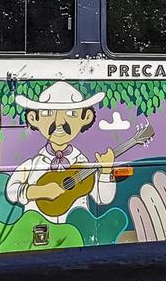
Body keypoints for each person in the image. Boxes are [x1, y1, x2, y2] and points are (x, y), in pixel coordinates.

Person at [7, 81, 117, 223]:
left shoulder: (83, 163)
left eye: (71, 113)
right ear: (33, 118)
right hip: (35, 226)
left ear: (86, 117)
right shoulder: (34, 163)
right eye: (48, 113)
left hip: (76, 229)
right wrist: (40, 191)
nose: (59, 122)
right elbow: (12, 191)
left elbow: (103, 198)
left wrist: (106, 172)